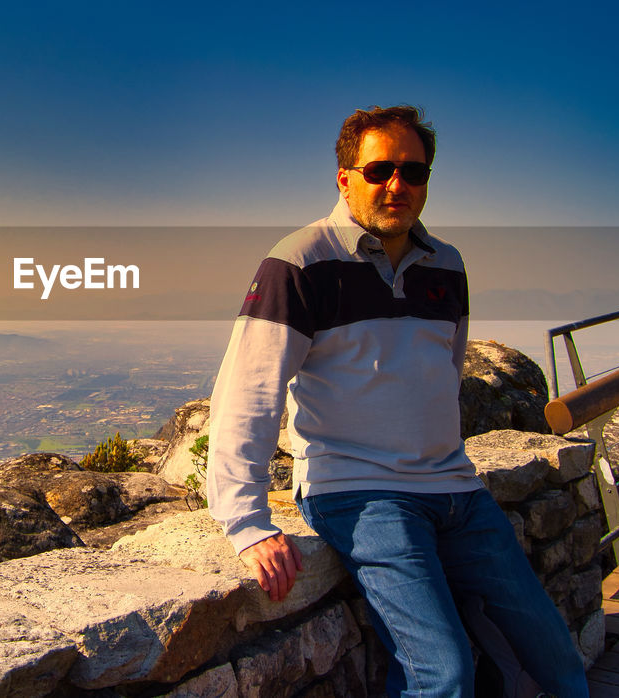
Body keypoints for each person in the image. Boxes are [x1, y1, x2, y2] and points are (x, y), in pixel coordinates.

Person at [207, 105, 588, 697]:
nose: (397, 185)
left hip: (455, 486)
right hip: (359, 491)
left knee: (556, 657)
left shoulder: (447, 265)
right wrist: (247, 522)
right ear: (344, 177)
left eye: (414, 172)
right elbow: (247, 391)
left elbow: (447, 369)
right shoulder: (300, 262)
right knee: (442, 674)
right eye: (380, 169)